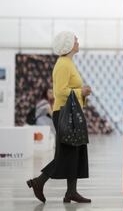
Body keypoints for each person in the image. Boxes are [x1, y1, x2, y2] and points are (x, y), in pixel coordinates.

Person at [26, 31, 92, 203]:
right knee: (66, 153)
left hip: (68, 112)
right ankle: (39, 182)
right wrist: (81, 91)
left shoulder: (68, 63)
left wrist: (82, 93)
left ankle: (71, 192)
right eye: (75, 40)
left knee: (74, 151)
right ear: (69, 45)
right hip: (64, 113)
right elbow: (59, 92)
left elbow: (67, 90)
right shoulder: (63, 64)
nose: (78, 42)